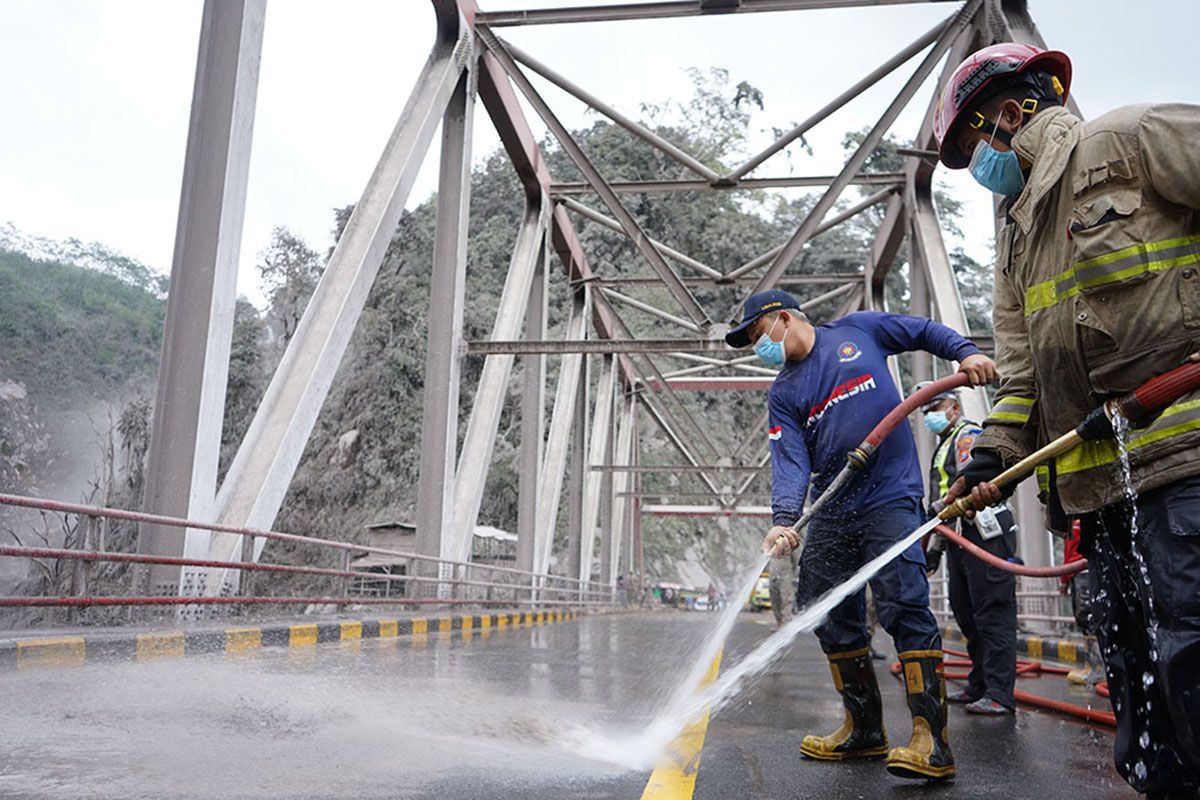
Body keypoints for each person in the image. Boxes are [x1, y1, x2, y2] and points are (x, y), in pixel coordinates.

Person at [932, 42, 1200, 797]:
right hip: (1101, 499)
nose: (985, 161)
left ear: (1012, 114)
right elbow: (1020, 379)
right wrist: (990, 455)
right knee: (1141, 696)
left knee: (1193, 656)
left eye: (980, 142)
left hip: (1186, 468)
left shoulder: (1133, 142)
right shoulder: (1018, 240)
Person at [725, 289, 996, 781]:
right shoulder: (784, 393)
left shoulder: (858, 331)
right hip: (834, 505)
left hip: (889, 496)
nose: (757, 348)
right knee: (825, 607)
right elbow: (790, 463)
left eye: (756, 335)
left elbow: (922, 331)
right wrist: (785, 520)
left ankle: (930, 739)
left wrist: (965, 352)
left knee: (902, 603)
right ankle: (864, 728)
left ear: (781, 317)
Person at [916, 384, 1018, 715]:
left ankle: (1000, 694)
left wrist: (935, 531)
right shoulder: (945, 444)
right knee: (966, 612)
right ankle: (979, 685)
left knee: (992, 613)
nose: (930, 414)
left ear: (955, 407)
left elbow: (965, 491)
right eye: (926, 410)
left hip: (986, 536)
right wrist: (936, 549)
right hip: (962, 537)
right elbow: (948, 507)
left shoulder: (967, 437)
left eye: (936, 406)